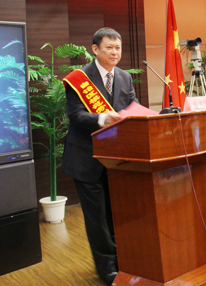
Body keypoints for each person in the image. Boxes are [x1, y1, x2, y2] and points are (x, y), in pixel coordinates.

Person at [61, 28, 138, 286]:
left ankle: (123, 260)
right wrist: (102, 117)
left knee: (116, 213)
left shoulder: (125, 77)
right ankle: (107, 268)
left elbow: (132, 108)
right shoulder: (79, 78)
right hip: (87, 159)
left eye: (118, 48)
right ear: (95, 49)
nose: (115, 52)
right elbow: (75, 116)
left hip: (116, 159)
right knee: (97, 218)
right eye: (109, 48)